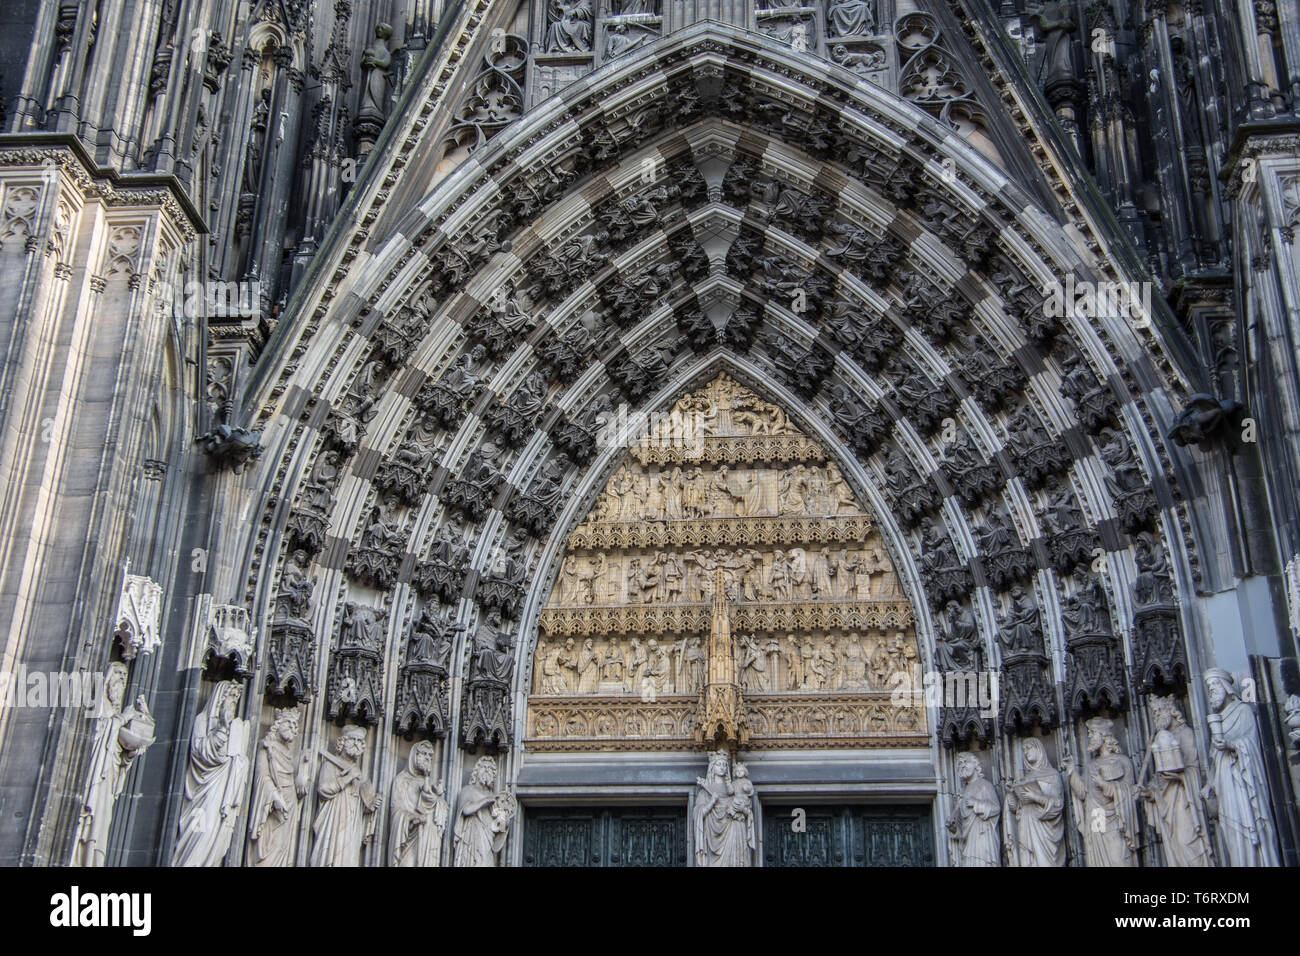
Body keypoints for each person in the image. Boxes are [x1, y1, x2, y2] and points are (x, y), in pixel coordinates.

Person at [1203, 669, 1280, 865]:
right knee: (1232, 835)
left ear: (1226, 687)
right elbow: (1214, 758)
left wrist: (1232, 745)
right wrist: (1209, 784)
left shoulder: (1242, 711)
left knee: (1249, 827)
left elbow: (1251, 744)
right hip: (1225, 785)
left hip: (1243, 784)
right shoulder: (1218, 720)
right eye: (1208, 689)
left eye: (1214, 687)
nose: (1211, 692)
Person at [173, 681, 249, 866]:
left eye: (236, 699)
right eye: (231, 696)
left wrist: (240, 761)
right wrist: (222, 730)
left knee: (216, 840)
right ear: (219, 698)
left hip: (223, 791)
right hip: (205, 792)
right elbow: (201, 753)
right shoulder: (203, 721)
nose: (233, 702)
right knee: (200, 837)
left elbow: (238, 761)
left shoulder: (235, 727)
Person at [390, 741, 449, 867]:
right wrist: (411, 818)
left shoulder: (429, 785)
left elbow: (439, 814)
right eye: (424, 754)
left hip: (428, 837)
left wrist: (439, 799)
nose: (428, 758)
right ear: (414, 756)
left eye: (430, 756)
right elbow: (396, 812)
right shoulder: (402, 780)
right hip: (409, 836)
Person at [453, 756, 516, 866]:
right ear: (476, 771)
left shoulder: (495, 798)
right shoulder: (468, 790)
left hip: (487, 839)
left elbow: (497, 828)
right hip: (472, 836)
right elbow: (466, 810)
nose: (487, 770)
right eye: (484, 767)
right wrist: (484, 801)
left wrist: (503, 822)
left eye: (490, 769)